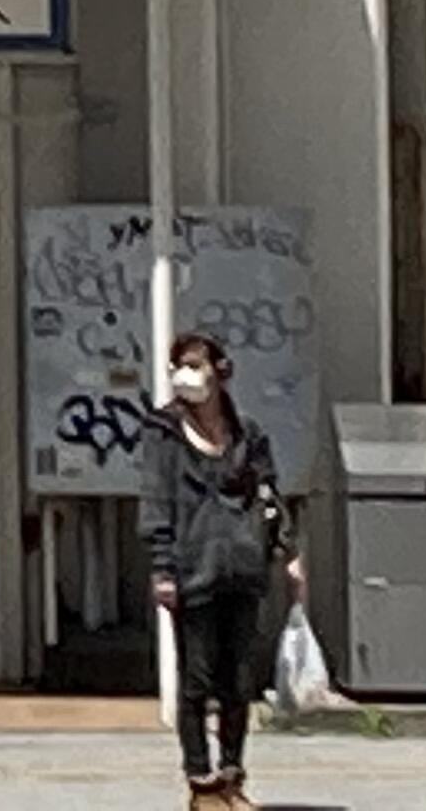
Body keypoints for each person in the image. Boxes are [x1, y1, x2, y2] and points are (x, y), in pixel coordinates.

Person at [146, 328, 300, 808]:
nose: (185, 376)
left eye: (195, 364)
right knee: (196, 679)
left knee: (238, 680)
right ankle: (201, 782)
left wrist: (285, 550)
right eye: (178, 366)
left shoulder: (247, 434)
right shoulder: (163, 434)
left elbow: (269, 496)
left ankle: (233, 775)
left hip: (242, 568)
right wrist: (162, 569)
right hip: (193, 572)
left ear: (221, 370)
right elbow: (156, 502)